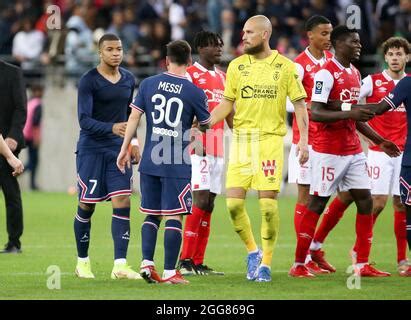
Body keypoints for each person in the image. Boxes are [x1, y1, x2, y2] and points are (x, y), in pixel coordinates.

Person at [289, 26, 400, 278]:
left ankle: (361, 264)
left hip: (353, 151)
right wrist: (349, 112)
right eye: (354, 42)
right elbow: (315, 112)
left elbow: (356, 117)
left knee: (365, 200)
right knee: (317, 203)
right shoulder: (325, 74)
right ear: (338, 44)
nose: (359, 46)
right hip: (328, 151)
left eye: (359, 42)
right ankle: (298, 264)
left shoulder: (354, 72)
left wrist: (380, 140)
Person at [209, 15, 310, 282]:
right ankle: (252, 252)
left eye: (249, 32)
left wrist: (304, 140)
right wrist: (207, 121)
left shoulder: (285, 67)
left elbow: (300, 104)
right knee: (232, 205)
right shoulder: (236, 67)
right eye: (243, 32)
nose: (244, 37)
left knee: (267, 206)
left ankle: (265, 263)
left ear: (265, 34)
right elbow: (227, 104)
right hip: (242, 141)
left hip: (269, 141)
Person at [117, 39, 211, 285]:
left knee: (151, 214)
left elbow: (134, 118)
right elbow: (205, 125)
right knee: (175, 215)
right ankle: (170, 272)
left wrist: (125, 148)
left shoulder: (148, 84)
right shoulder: (194, 92)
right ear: (190, 62)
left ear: (166, 61)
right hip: (175, 161)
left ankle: (147, 263)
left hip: (149, 160)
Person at [326, 76, 411, 277]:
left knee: (404, 208)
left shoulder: (407, 83)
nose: (395, 58)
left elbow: (380, 107)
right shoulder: (373, 80)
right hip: (383, 151)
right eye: (391, 53)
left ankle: (398, 258)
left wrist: (340, 106)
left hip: (404, 156)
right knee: (375, 201)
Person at [74, 33, 141, 280]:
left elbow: (129, 115)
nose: (116, 53)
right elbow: (84, 120)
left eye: (119, 49)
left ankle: (120, 266)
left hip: (118, 150)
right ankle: (82, 263)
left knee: (123, 200)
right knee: (87, 205)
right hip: (91, 149)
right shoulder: (88, 81)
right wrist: (111, 127)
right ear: (100, 53)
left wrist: (132, 141)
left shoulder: (129, 79)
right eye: (110, 49)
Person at [178, 30, 232, 276]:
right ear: (200, 49)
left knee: (209, 203)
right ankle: (186, 260)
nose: (219, 49)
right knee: (199, 200)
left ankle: (198, 261)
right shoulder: (189, 76)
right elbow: (182, 112)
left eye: (220, 45)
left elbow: (230, 114)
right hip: (197, 147)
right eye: (213, 45)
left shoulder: (224, 77)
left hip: (218, 147)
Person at [286, 15, 333, 274]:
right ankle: (301, 261)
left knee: (320, 199)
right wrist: (303, 140)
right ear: (310, 35)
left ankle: (310, 254)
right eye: (323, 34)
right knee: (305, 198)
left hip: (328, 143)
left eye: (330, 34)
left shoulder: (331, 63)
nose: (328, 38)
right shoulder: (299, 66)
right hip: (306, 141)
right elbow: (293, 103)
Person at [0, 59, 27, 254]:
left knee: (11, 194)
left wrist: (13, 137)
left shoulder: (12, 73)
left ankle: (14, 241)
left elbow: (20, 108)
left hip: (8, 143)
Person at [23, 83, 44, 190]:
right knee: (33, 161)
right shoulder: (38, 104)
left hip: (24, 134)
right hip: (31, 136)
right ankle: (18, 172)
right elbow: (35, 122)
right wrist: (36, 138)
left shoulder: (29, 102)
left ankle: (32, 184)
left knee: (33, 161)